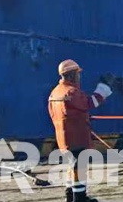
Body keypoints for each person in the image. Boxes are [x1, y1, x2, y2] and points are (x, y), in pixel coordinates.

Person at [48, 60, 115, 202]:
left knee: (72, 166)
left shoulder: (55, 93)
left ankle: (70, 196)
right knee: (80, 166)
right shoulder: (71, 92)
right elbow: (91, 102)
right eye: (78, 74)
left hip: (63, 138)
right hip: (76, 138)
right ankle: (79, 197)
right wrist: (104, 87)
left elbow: (57, 114)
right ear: (72, 75)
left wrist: (79, 118)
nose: (79, 76)